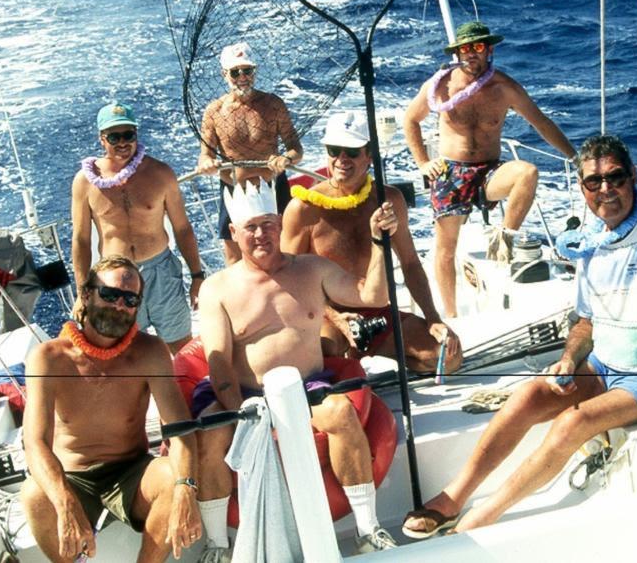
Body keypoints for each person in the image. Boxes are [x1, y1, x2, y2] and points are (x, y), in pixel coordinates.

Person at [401, 134, 637, 537]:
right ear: (581, 188)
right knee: (528, 395)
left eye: (615, 177)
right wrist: (569, 357)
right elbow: (585, 323)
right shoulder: (592, 239)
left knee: (571, 423)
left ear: (632, 176)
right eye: (593, 182)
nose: (605, 190)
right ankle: (453, 498)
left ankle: (482, 518)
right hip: (606, 363)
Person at [194, 180, 399, 557]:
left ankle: (368, 528)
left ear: (279, 224)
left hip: (308, 388)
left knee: (341, 412)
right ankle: (217, 544)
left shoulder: (313, 269)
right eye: (251, 226)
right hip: (245, 396)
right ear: (234, 232)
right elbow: (219, 360)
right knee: (209, 435)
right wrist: (237, 408)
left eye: (268, 224)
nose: (261, 234)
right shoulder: (217, 288)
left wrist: (379, 243)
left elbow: (374, 296)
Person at [20, 255, 202, 562]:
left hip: (131, 472)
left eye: (130, 299)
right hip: (72, 475)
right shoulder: (48, 358)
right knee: (34, 496)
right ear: (87, 294)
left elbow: (181, 429)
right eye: (109, 294)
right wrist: (64, 501)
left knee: (173, 476)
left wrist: (186, 487)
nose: (120, 305)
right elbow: (34, 442)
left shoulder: (150, 351)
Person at [404, 21, 577, 317]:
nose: (472, 53)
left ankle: (505, 236)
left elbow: (542, 123)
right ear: (458, 52)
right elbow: (411, 120)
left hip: (489, 172)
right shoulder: (440, 86)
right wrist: (423, 162)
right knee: (446, 249)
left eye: (478, 47)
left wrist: (576, 157)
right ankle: (451, 316)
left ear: (490, 49)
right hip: (450, 172)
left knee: (527, 172)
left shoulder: (505, 88)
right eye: (466, 48)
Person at [281, 111, 462, 373]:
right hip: (328, 315)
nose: (342, 159)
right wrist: (336, 319)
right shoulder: (304, 208)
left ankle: (369, 357)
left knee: (448, 358)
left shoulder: (390, 201)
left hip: (379, 313)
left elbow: (410, 263)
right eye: (334, 150)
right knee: (324, 359)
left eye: (352, 151)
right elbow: (290, 279)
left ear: (369, 155)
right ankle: (350, 364)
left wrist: (433, 318)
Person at [72, 102, 203, 354]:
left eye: (128, 135)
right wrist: (82, 293)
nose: (123, 142)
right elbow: (81, 240)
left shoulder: (161, 173)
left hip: (161, 271)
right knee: (127, 351)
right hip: (113, 281)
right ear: (102, 139)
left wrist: (197, 276)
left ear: (136, 134)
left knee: (182, 346)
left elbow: (183, 228)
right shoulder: (84, 182)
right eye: (114, 136)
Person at [195, 41, 304, 266]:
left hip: (273, 187)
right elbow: (205, 154)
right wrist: (207, 163)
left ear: (255, 71)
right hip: (235, 191)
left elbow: (296, 148)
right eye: (235, 72)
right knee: (235, 258)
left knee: (288, 251)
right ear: (224, 74)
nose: (242, 77)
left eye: (247, 70)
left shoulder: (274, 104)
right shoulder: (213, 111)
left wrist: (286, 158)